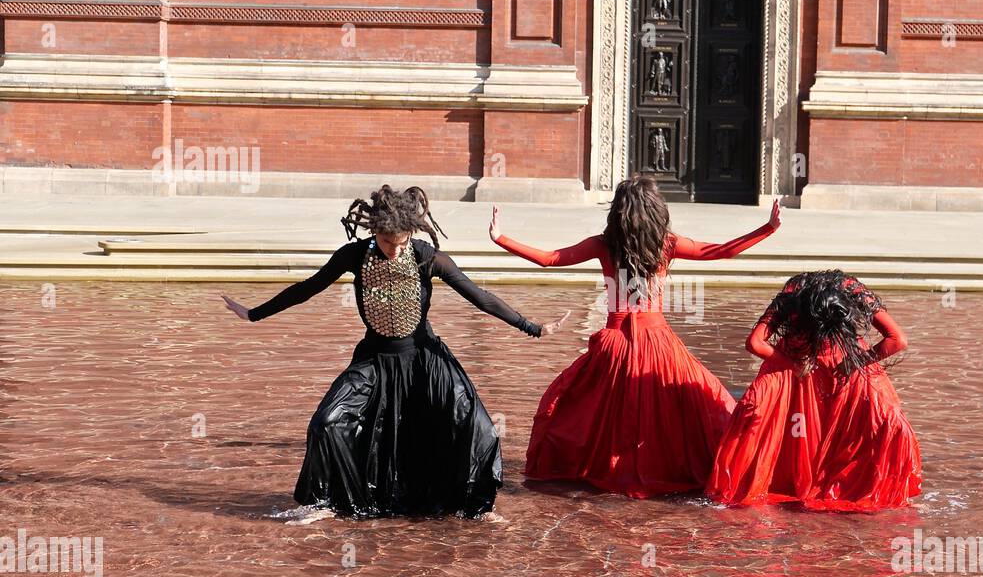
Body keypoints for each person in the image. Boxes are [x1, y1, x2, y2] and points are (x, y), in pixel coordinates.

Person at [221, 185, 566, 519]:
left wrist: (533, 327)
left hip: (425, 359)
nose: (395, 250)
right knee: (325, 424)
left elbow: (480, 297)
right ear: (375, 232)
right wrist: (253, 314)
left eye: (401, 244)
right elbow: (306, 289)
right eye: (388, 243)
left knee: (480, 429)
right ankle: (325, 504)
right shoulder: (354, 256)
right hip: (374, 361)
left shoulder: (426, 257)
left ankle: (476, 508)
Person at [489, 176, 781, 497]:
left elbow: (549, 259)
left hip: (614, 343)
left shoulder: (603, 244)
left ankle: (605, 471)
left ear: (618, 211)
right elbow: (719, 252)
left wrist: (501, 237)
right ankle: (696, 467)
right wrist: (766, 229)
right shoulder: (666, 244)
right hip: (658, 341)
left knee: (586, 407)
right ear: (657, 211)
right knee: (690, 404)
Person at [707, 270, 922, 512]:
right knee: (759, 411)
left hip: (836, 361)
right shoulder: (792, 295)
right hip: (808, 363)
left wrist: (850, 363)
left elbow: (898, 340)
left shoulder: (853, 290)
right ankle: (799, 484)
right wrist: (797, 365)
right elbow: (755, 343)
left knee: (883, 419)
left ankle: (844, 485)